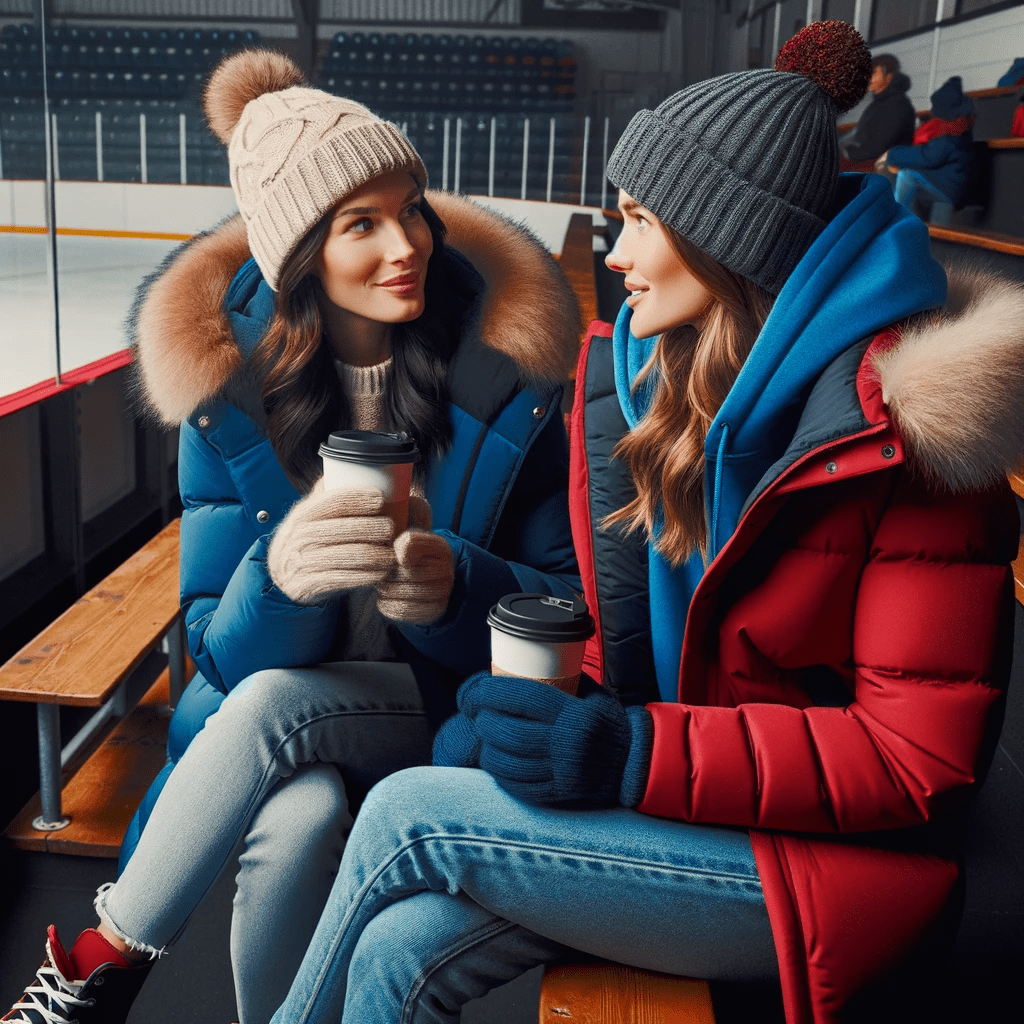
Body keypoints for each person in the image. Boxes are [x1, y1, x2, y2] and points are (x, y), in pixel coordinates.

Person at [259, 21, 1024, 1024]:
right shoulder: (664, 382)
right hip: (698, 808)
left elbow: (913, 763)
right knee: (402, 945)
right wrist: (468, 597)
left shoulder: (915, 444)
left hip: (837, 872)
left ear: (726, 239)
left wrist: (628, 751)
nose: (613, 254)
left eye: (638, 222)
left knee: (406, 815)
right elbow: (612, 628)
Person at [4, 49, 582, 1024]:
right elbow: (213, 643)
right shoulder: (227, 388)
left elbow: (561, 602)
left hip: (447, 706)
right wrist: (279, 578)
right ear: (297, 252)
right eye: (360, 223)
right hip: (281, 730)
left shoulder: (502, 371)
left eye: (410, 207)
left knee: (276, 705)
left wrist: (455, 585)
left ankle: (93, 969)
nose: (404, 243)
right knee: (294, 817)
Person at [881, 75, 976, 225]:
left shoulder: (949, 135)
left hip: (948, 188)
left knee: (907, 175)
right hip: (951, 188)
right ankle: (924, 225)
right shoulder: (961, 130)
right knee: (913, 178)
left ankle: (896, 220)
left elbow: (928, 157)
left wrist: (893, 155)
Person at [839, 52, 915, 170]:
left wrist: (849, 152)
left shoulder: (897, 105)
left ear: (888, 77)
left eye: (873, 73)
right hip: (866, 157)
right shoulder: (880, 102)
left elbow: (880, 147)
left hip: (881, 165)